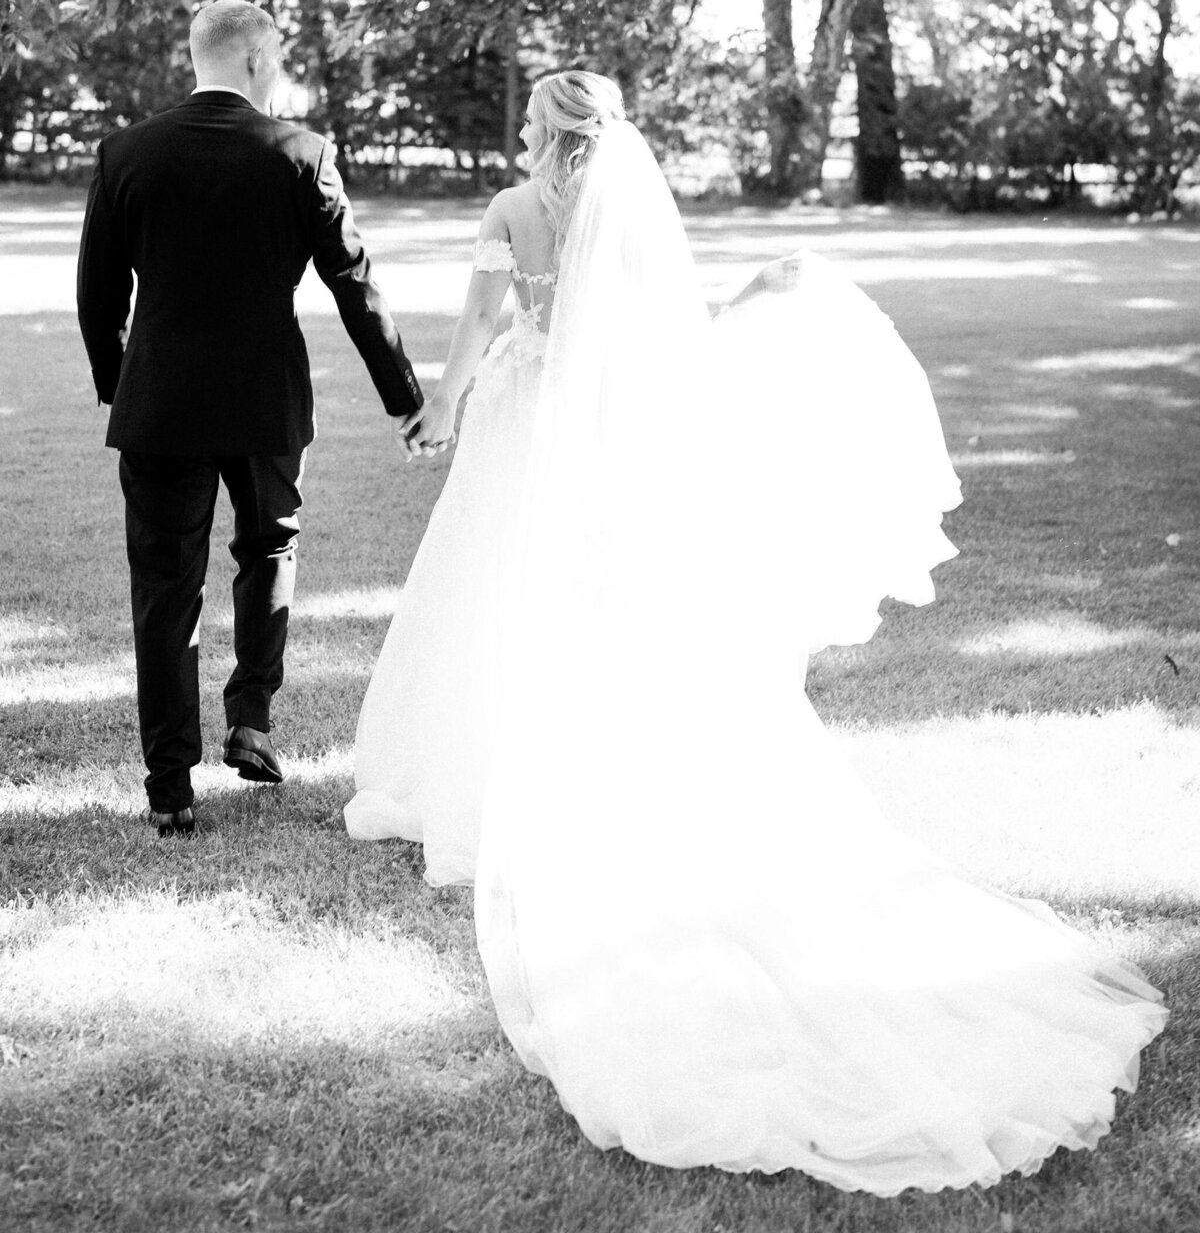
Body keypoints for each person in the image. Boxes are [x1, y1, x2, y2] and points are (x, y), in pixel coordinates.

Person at [345, 70, 1165, 1195]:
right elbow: (673, 337)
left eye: (531, 118)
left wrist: (438, 412)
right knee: (597, 608)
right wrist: (755, 295)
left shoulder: (507, 214)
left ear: (545, 133)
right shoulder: (630, 210)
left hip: (526, 426)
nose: (524, 131)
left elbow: (483, 328)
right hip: (612, 448)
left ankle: (496, 774)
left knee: (499, 595)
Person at [77, 0, 424, 837]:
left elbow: (97, 297)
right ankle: (251, 717)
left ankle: (170, 788)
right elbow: (355, 285)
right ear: (260, 62)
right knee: (268, 547)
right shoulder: (301, 155)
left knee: (165, 589)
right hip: (266, 401)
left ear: (199, 57)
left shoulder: (127, 153)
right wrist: (406, 398)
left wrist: (119, 385)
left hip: (159, 404)